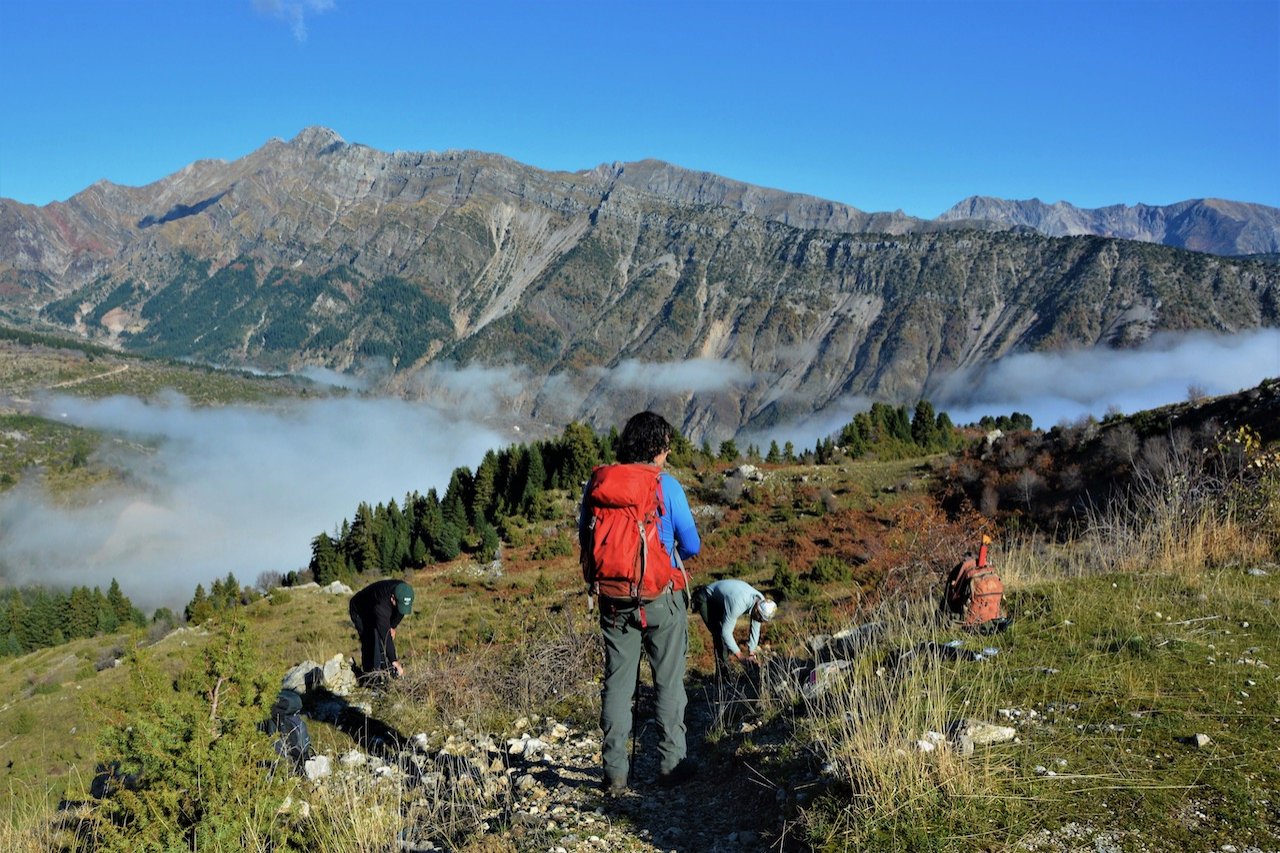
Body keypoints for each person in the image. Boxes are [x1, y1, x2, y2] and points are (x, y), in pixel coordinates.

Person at [579, 411, 701, 793]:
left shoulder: (599, 485)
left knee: (617, 685)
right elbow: (692, 545)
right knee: (667, 683)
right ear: (659, 448)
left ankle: (615, 774)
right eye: (667, 447)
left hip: (614, 601)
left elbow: (586, 538)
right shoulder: (668, 486)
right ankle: (671, 766)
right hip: (661, 599)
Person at [692, 579, 776, 677]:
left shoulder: (760, 600)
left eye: (763, 620)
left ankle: (725, 674)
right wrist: (740, 657)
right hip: (707, 598)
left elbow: (755, 627)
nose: (760, 621)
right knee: (719, 635)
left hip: (723, 600)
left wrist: (751, 653)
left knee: (724, 640)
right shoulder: (739, 603)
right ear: (757, 609)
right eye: (760, 618)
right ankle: (723, 677)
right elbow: (726, 633)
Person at [348, 578, 414, 683]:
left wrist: (393, 626)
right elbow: (386, 636)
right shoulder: (381, 606)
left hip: (374, 607)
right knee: (371, 641)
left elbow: (400, 611)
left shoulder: (403, 591)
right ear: (393, 598)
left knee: (381, 642)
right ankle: (372, 679)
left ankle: (386, 673)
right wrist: (394, 660)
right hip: (360, 611)